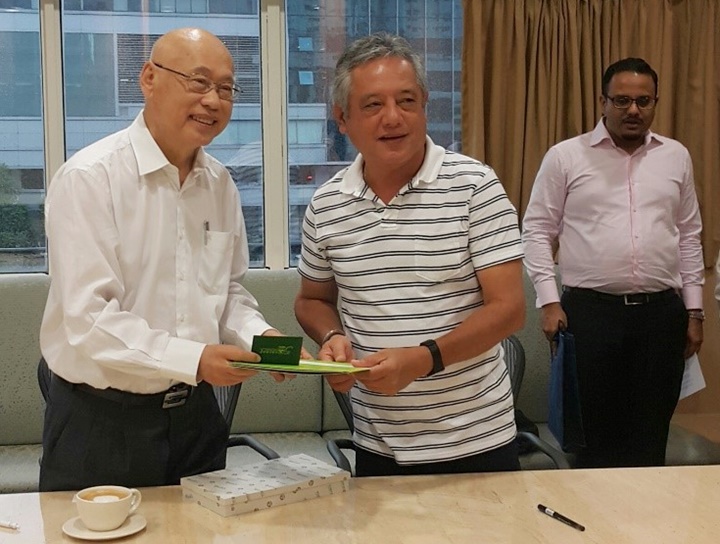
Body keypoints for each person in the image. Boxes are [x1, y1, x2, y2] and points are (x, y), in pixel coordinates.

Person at [40, 28, 293, 492]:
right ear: (149, 78)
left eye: (226, 88)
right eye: (198, 82)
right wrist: (196, 359)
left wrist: (266, 340)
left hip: (196, 418)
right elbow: (89, 318)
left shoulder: (220, 184)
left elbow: (228, 291)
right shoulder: (90, 178)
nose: (214, 100)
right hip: (101, 421)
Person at [294, 33, 526, 477]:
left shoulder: (474, 186)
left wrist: (423, 358)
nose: (393, 118)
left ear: (425, 105)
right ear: (342, 118)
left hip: (477, 440)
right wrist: (330, 339)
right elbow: (312, 300)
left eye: (406, 101)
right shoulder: (327, 204)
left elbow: (509, 310)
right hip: (378, 442)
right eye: (372, 105)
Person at [522, 57, 704, 468]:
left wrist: (696, 311)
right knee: (592, 441)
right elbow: (535, 231)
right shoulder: (566, 157)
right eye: (622, 100)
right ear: (602, 102)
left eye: (643, 100)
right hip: (589, 316)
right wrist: (549, 303)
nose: (633, 110)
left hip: (662, 317)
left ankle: (645, 529)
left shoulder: (676, 157)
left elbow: (689, 235)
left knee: (650, 435)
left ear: (655, 102)